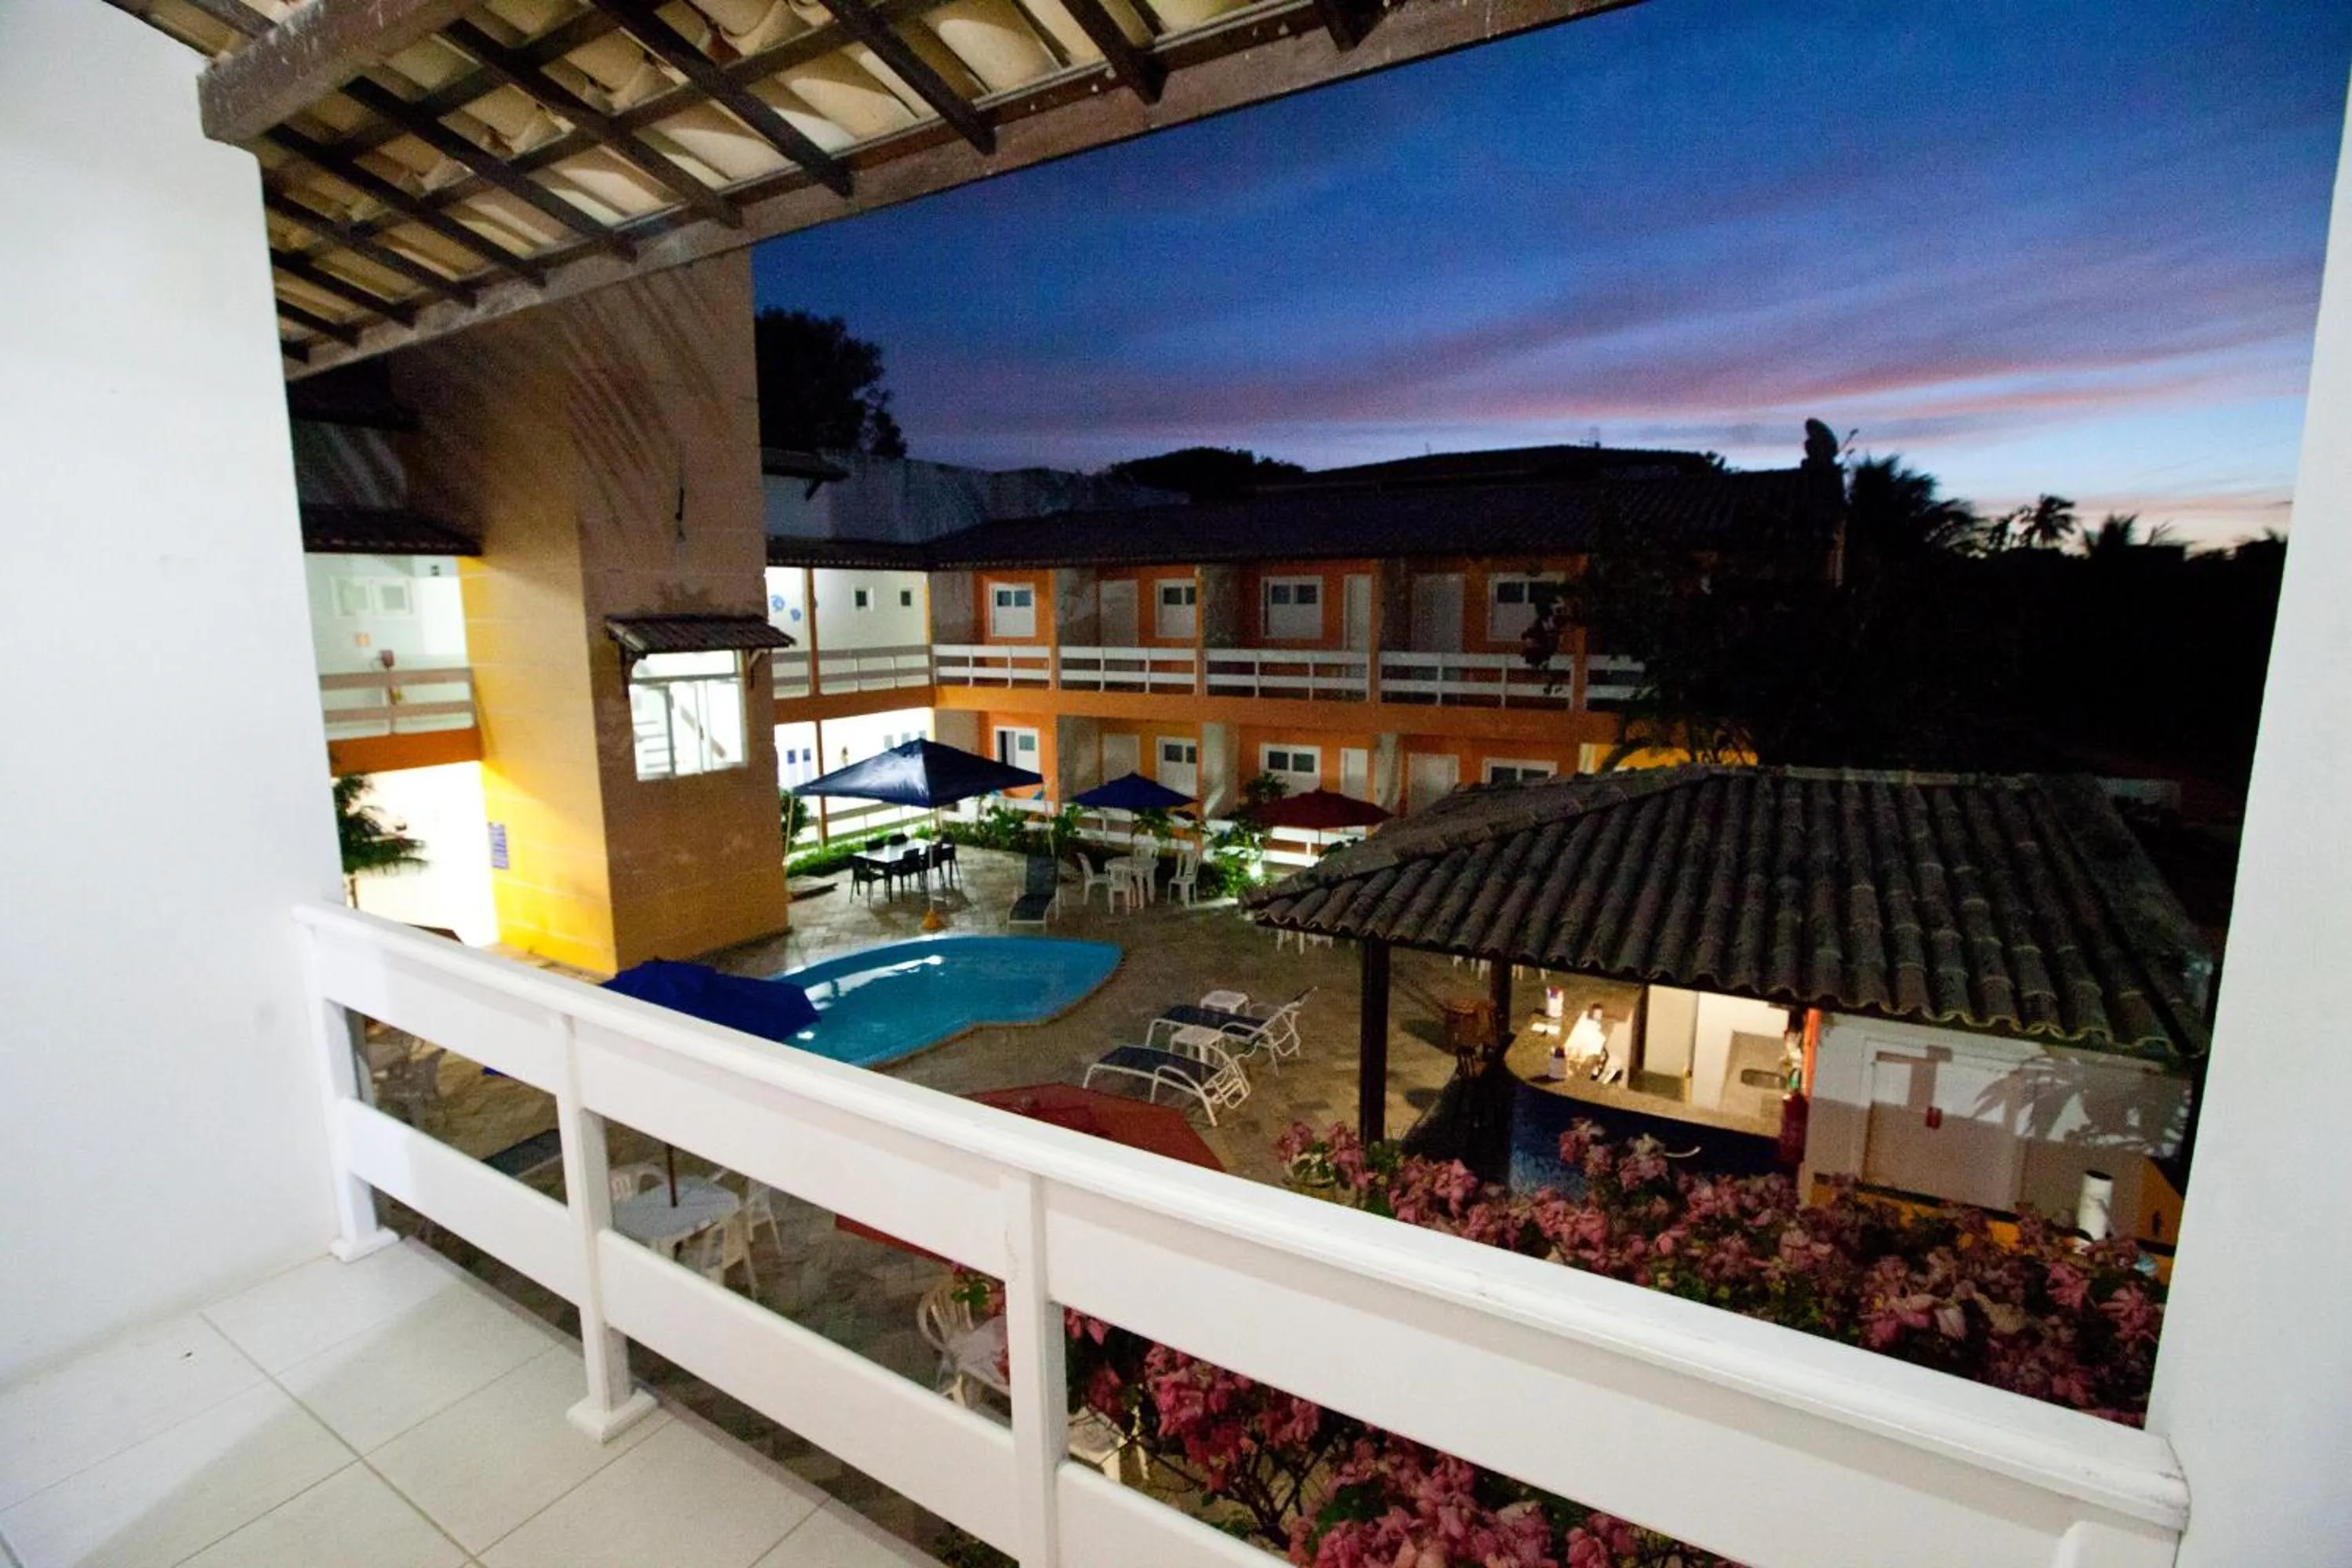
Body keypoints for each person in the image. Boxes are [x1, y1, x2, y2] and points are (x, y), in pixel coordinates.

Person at [1563, 1004, 1608, 1074]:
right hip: (1579, 1041)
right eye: (1596, 1013)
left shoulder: (1595, 1026)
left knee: (1581, 1051)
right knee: (1574, 1050)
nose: (1598, 1015)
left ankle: (1574, 1061)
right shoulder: (1583, 1021)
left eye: (1599, 1014)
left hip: (1585, 1045)